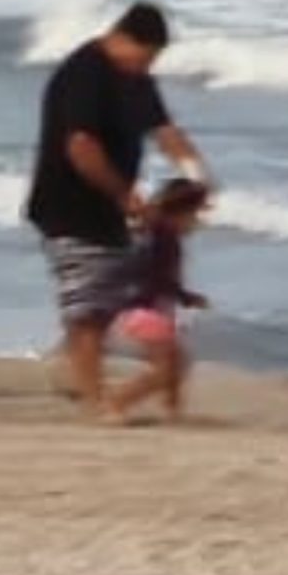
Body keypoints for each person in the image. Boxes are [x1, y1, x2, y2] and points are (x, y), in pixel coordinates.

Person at [25, 0, 212, 419]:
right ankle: (96, 401)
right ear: (122, 38)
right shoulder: (83, 74)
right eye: (144, 57)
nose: (145, 68)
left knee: (111, 299)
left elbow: (164, 131)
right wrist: (125, 196)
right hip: (65, 205)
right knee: (87, 305)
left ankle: (76, 370)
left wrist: (195, 172)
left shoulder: (138, 80)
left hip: (110, 211)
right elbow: (81, 147)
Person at [106, 179, 212, 424]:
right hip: (146, 310)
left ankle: (172, 410)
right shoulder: (164, 237)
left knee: (177, 362)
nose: (198, 222)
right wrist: (186, 297)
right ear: (182, 212)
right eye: (196, 214)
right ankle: (117, 401)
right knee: (166, 368)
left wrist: (184, 297)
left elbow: (151, 273)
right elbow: (159, 276)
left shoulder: (154, 232)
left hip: (143, 309)